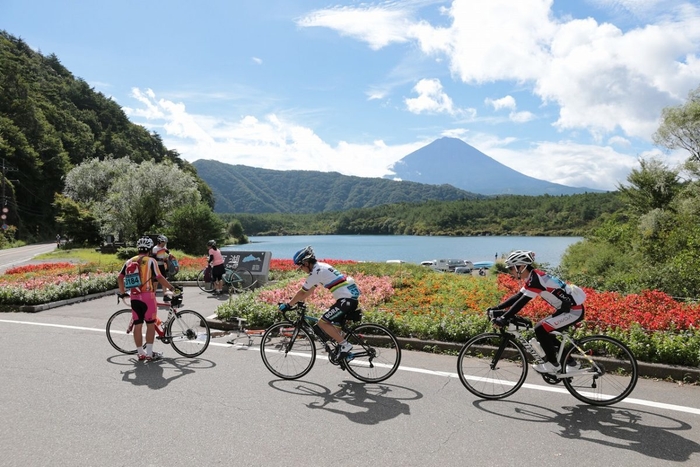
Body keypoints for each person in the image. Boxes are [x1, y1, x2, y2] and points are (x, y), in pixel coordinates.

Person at [489, 250, 586, 374]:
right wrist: (497, 308)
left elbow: (523, 301)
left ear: (521, 267)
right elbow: (518, 296)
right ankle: (572, 364)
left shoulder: (536, 279)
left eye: (511, 269)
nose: (510, 272)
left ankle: (552, 365)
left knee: (540, 329)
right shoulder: (534, 277)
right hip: (566, 310)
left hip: (573, 312)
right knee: (546, 333)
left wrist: (504, 317)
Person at [279, 246, 361, 359]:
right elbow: (310, 290)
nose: (301, 269)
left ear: (306, 262)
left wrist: (288, 305)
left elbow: (302, 292)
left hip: (346, 300)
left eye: (301, 266)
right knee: (335, 329)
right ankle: (345, 355)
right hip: (348, 299)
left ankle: (345, 346)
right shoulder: (321, 267)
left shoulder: (316, 272)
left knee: (322, 323)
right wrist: (299, 301)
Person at [117, 236, 176, 361]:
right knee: (150, 325)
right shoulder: (151, 261)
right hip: (148, 297)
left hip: (134, 297)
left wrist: (122, 293)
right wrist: (171, 288)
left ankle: (140, 353)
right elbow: (159, 277)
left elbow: (120, 277)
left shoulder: (129, 261)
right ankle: (149, 353)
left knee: (137, 325)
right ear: (149, 249)